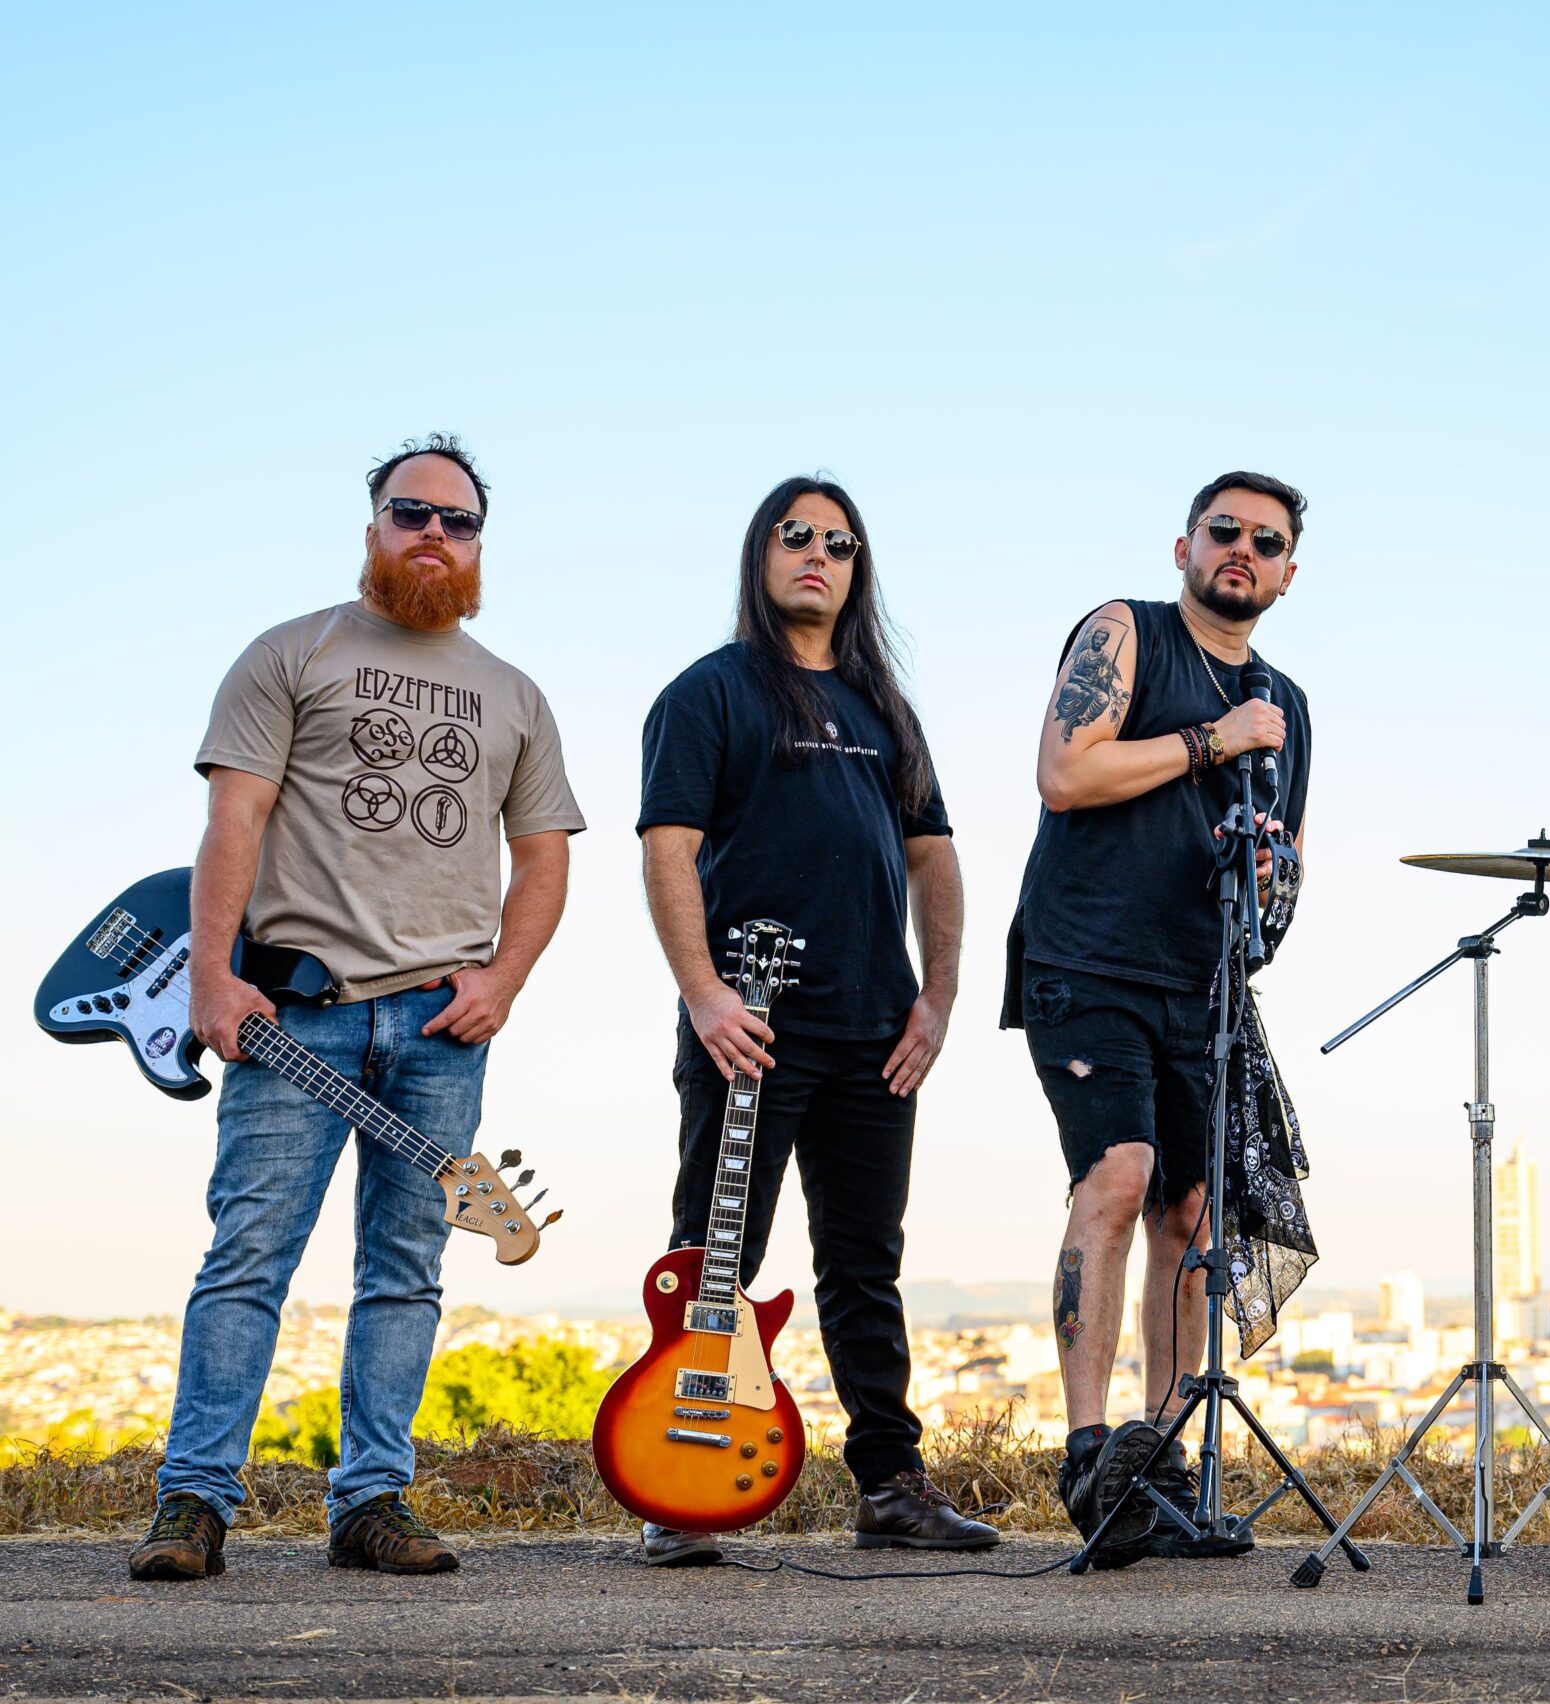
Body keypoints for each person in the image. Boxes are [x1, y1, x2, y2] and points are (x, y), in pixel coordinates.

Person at [132, 436, 583, 1581]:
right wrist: (212, 975)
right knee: (248, 1259)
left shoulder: (517, 696)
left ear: (479, 544)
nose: (435, 533)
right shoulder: (292, 652)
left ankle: (372, 1501)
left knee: (406, 1271)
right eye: (411, 511)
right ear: (373, 525)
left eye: (458, 520)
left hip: (440, 1028)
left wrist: (503, 979)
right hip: (298, 1012)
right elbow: (234, 820)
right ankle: (192, 1504)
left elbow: (543, 856)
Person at [634, 476, 994, 1564]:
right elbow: (667, 849)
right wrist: (704, 993)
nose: (818, 556)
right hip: (750, 1026)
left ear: (856, 571)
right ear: (762, 553)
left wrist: (939, 995)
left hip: (876, 1034)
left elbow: (934, 856)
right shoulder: (708, 693)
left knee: (864, 1265)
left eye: (840, 544)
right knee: (715, 1258)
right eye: (797, 536)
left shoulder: (887, 708)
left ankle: (889, 1486)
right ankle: (676, 1492)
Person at [1005, 472, 1314, 1566]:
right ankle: (1089, 1456)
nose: (1242, 551)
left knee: (1189, 1209)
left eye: (1266, 542)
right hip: (1087, 958)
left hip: (1205, 982)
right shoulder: (1125, 632)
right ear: (1185, 546)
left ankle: (1160, 1463)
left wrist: (1274, 876)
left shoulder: (1286, 702)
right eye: (1224, 531)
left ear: (1287, 573)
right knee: (1120, 1174)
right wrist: (1210, 741)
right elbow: (1064, 773)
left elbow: (1284, 853)